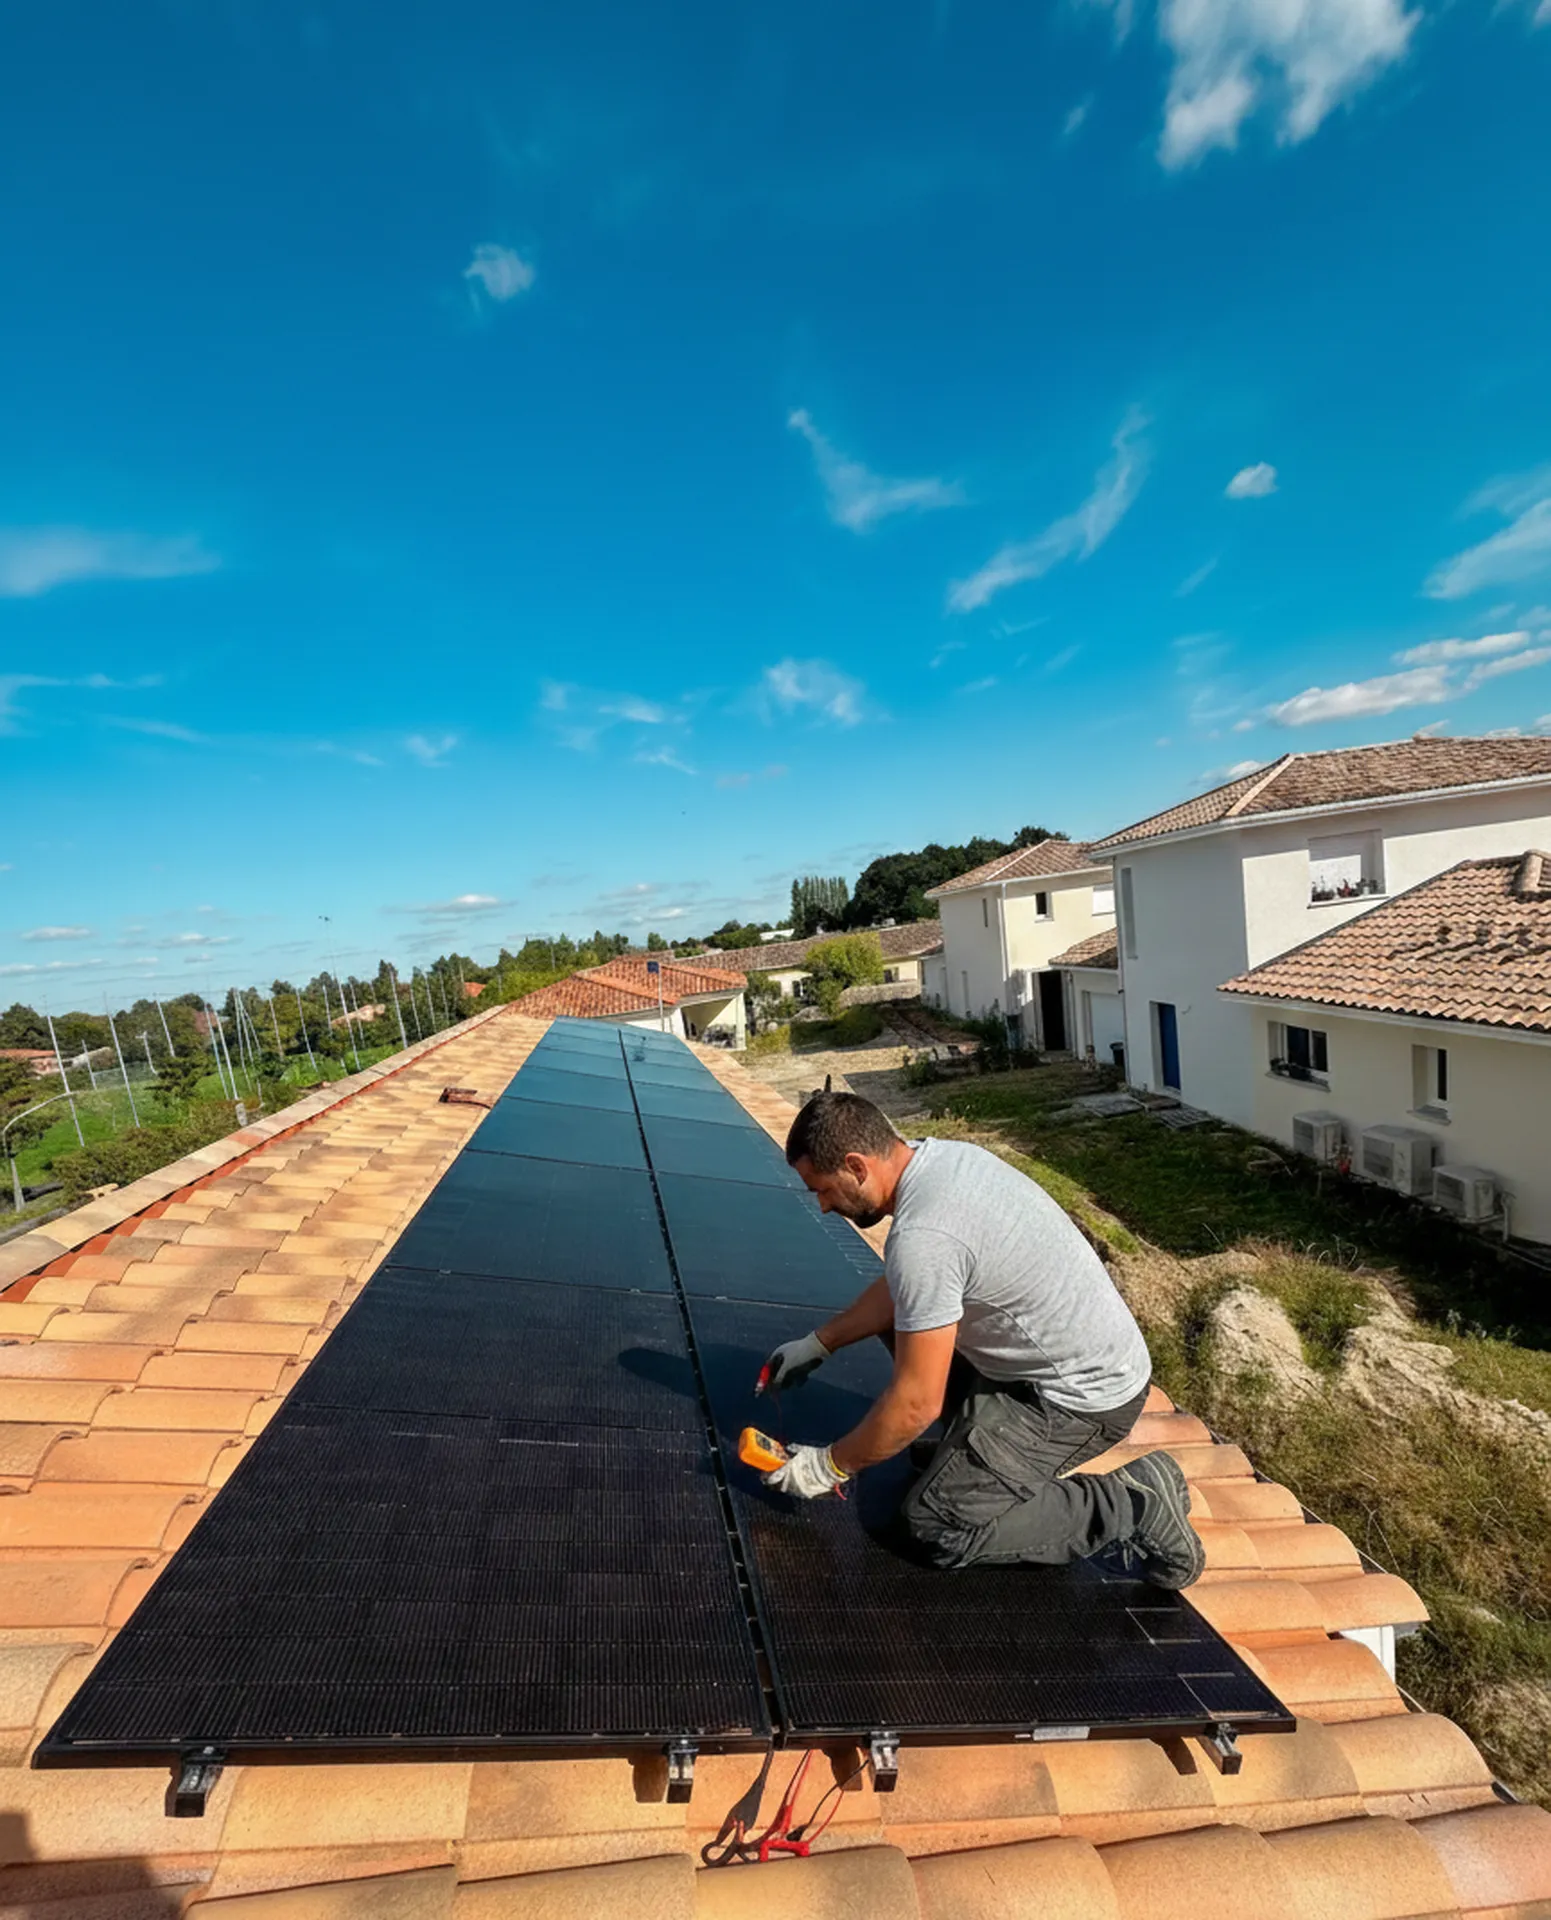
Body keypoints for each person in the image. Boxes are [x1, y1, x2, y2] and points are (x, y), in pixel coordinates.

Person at [758, 1091, 1203, 1588]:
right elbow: (908, 1289)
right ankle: (973, 1455)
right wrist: (820, 1343)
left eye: (822, 1189)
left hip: (1082, 1401)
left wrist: (829, 1466)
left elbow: (916, 1403)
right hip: (1063, 1362)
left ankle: (1132, 1503)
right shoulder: (938, 1160)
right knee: (907, 1319)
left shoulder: (925, 1236)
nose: (823, 1207)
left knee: (934, 1524)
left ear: (857, 1166)